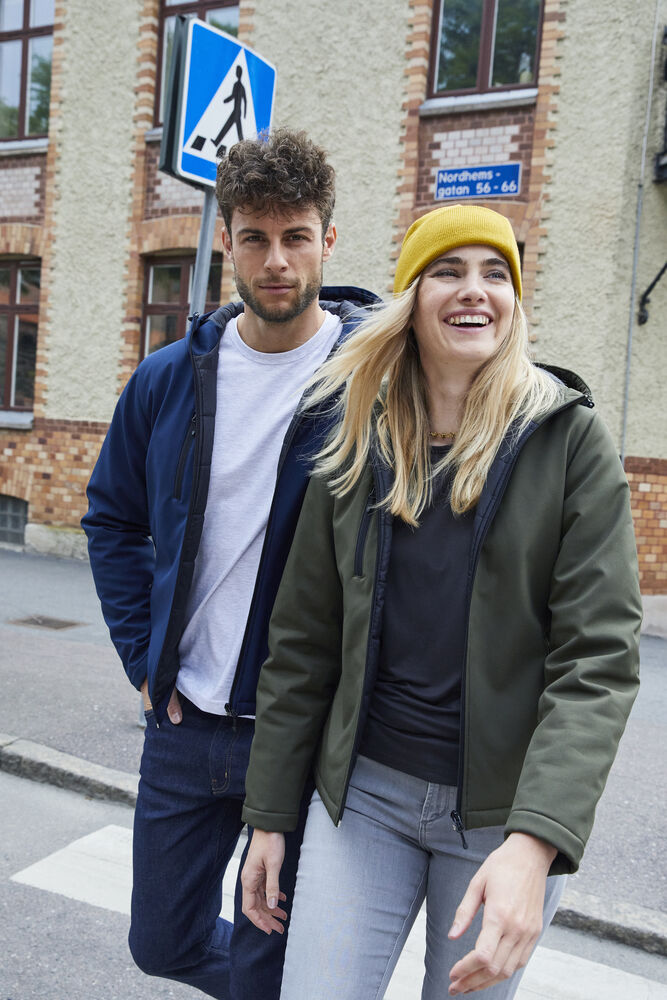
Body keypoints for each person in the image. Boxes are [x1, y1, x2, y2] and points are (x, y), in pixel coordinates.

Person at [239, 204, 642, 998]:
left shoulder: (567, 440)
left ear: (513, 302)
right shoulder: (356, 438)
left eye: (495, 274)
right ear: (410, 300)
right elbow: (302, 644)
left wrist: (536, 842)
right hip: (364, 799)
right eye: (448, 271)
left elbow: (596, 661)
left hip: (500, 818)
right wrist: (269, 815)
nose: (474, 290)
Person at [82, 128, 378, 1000]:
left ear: (328, 239)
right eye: (255, 237)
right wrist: (143, 659)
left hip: (295, 735)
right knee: (162, 943)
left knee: (264, 957)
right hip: (182, 722)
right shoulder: (168, 378)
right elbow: (112, 520)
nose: (276, 260)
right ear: (228, 242)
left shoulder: (368, 383)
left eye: (296, 236)